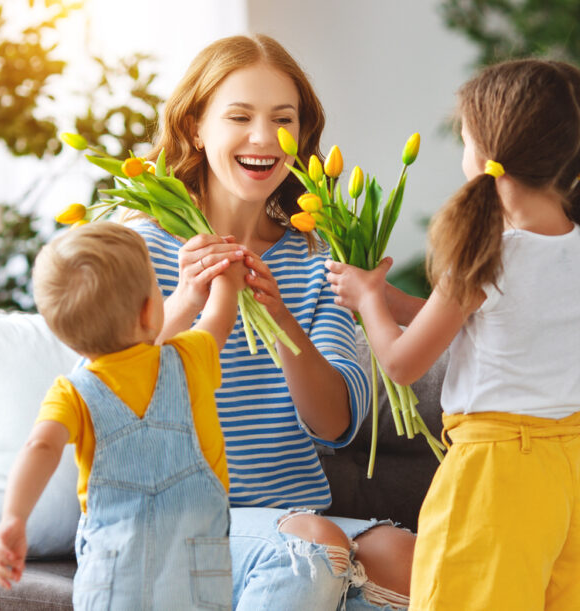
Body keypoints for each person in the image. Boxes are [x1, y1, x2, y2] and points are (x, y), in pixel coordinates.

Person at [325, 58, 580, 610]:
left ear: (491, 153)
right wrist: (388, 297)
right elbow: (487, 323)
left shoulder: (489, 256)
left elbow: (400, 364)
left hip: (497, 472)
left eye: (465, 138)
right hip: (567, 468)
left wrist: (369, 301)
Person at [125, 34, 415, 610]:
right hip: (169, 521)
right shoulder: (137, 247)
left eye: (283, 120)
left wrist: (279, 316)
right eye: (239, 116)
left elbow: (334, 426)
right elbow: (105, 397)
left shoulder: (319, 258)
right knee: (311, 549)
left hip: (290, 518)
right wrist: (186, 301)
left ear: (301, 138)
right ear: (194, 128)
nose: (264, 138)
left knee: (412, 561)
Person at [0, 222, 243, 610]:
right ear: (147, 311)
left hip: (111, 582)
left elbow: (40, 445)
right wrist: (228, 276)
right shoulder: (189, 357)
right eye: (158, 286)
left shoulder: (71, 392)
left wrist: (13, 518)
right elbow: (219, 319)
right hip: (195, 576)